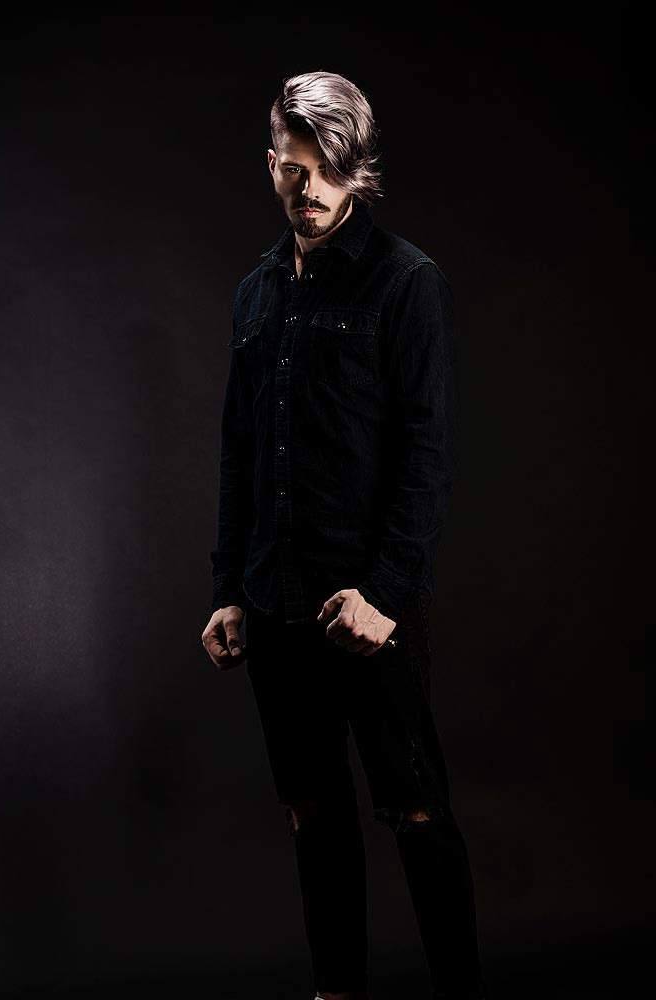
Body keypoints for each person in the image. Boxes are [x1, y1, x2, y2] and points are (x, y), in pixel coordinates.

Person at [201, 70, 489, 1000]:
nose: (310, 190)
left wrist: (386, 595)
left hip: (369, 606)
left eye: (328, 171)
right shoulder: (254, 292)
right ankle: (337, 994)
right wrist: (227, 588)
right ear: (271, 164)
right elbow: (240, 452)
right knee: (310, 812)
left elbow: (427, 454)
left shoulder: (406, 281)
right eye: (293, 169)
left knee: (415, 810)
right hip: (275, 601)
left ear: (357, 168)